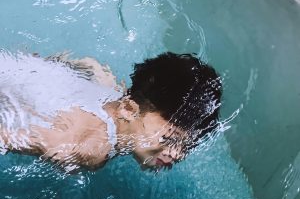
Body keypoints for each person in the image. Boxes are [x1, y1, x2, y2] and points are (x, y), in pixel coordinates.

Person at [0, 51, 222, 172]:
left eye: (187, 144)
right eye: (169, 139)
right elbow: (5, 137)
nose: (177, 154)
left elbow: (89, 65)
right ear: (128, 109)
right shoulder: (90, 149)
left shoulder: (114, 93)